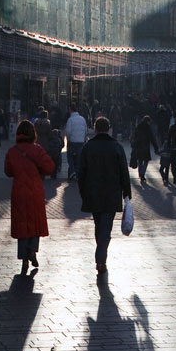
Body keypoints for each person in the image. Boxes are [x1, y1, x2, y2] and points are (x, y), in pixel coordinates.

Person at [78, 116, 131, 276]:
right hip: (111, 193)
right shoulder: (116, 147)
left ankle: (101, 257)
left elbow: (82, 173)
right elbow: (124, 172)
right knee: (106, 227)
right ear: (109, 128)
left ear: (95, 128)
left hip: (93, 193)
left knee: (98, 224)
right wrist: (126, 193)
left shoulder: (88, 147)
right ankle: (101, 259)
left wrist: (83, 192)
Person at [4, 120, 55, 274]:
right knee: (35, 221)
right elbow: (50, 167)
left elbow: (8, 171)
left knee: (22, 223)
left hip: (19, 192)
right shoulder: (37, 150)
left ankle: (24, 258)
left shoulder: (12, 151)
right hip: (35, 191)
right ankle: (33, 249)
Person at [131, 114, 159, 184]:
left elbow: (134, 136)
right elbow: (152, 138)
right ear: (148, 121)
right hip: (146, 147)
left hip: (138, 146)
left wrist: (133, 144)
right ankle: (142, 174)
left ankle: (140, 173)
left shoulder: (138, 126)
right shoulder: (148, 128)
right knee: (146, 161)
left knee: (140, 160)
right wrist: (156, 147)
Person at [65, 102, 88, 180]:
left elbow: (68, 132)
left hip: (72, 141)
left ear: (70, 110)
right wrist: (84, 139)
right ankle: (78, 173)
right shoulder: (82, 119)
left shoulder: (70, 119)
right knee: (78, 157)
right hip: (80, 141)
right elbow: (85, 130)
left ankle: (72, 171)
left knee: (70, 156)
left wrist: (68, 139)